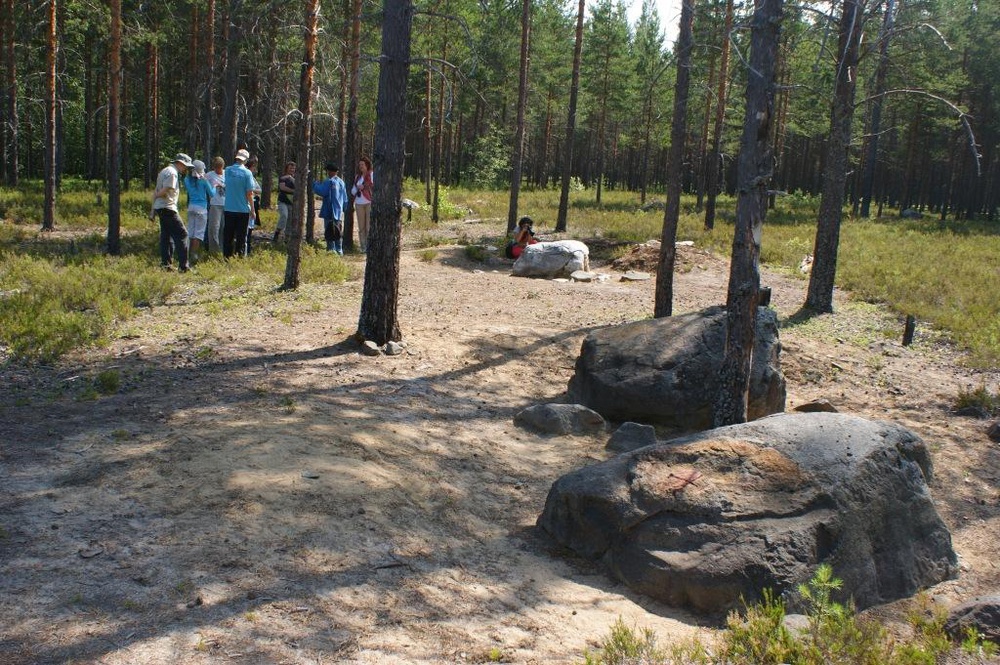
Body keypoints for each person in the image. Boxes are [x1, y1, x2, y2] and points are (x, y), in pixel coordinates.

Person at [151, 153, 193, 272]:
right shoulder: (173, 173)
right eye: (185, 166)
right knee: (182, 234)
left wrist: (153, 208)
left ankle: (166, 265)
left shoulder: (164, 171)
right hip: (168, 207)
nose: (185, 169)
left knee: (166, 236)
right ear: (180, 163)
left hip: (161, 207)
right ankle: (184, 267)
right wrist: (156, 195)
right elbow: (165, 190)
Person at [222, 148, 256, 258]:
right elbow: (249, 193)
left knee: (228, 235)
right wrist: (252, 209)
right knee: (241, 236)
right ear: (245, 160)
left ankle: (227, 257)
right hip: (242, 209)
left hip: (229, 207)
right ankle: (239, 257)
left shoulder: (227, 170)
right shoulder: (247, 173)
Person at [183, 159, 214, 265]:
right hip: (201, 208)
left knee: (190, 232)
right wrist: (215, 186)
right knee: (198, 234)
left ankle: (186, 255)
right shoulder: (204, 180)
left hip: (191, 207)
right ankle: (194, 255)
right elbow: (212, 194)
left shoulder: (187, 180)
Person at [313, 162, 347, 254]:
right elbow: (345, 198)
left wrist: (315, 184)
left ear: (329, 171)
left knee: (329, 231)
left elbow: (322, 191)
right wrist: (343, 209)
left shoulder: (329, 181)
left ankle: (331, 250)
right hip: (338, 211)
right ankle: (339, 250)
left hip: (329, 210)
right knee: (338, 231)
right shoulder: (341, 182)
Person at [350, 156, 374, 253]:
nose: (361, 166)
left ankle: (369, 247)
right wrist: (357, 188)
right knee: (361, 227)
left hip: (369, 202)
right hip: (359, 203)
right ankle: (363, 247)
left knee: (368, 226)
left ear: (367, 165)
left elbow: (374, 186)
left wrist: (365, 186)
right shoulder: (357, 177)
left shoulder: (371, 174)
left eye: (362, 164)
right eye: (360, 165)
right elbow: (352, 191)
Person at [205, 156, 226, 253]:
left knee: (223, 227)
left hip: (227, 204)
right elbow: (202, 182)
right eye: (216, 168)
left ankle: (222, 249)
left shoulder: (227, 173)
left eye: (220, 168)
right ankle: (214, 250)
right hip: (215, 204)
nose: (218, 170)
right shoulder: (209, 175)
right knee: (214, 227)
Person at [244, 156, 263, 255]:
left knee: (250, 228)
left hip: (253, 204)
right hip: (246, 205)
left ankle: (248, 250)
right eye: (254, 167)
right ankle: (245, 251)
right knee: (246, 229)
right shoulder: (247, 176)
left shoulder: (252, 178)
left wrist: (253, 190)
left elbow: (259, 190)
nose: (255, 170)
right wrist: (251, 190)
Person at [274, 161, 295, 243]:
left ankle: (287, 238)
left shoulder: (296, 178)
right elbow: (282, 187)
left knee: (290, 220)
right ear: (286, 169)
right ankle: (277, 232)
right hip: (282, 201)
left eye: (293, 168)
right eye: (290, 168)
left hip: (291, 202)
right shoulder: (283, 178)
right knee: (284, 216)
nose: (292, 170)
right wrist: (294, 191)